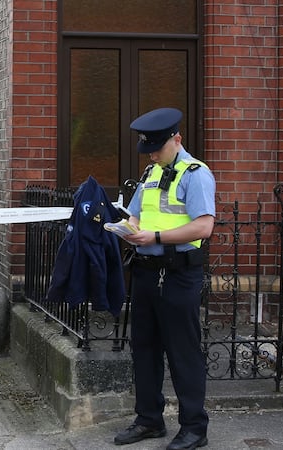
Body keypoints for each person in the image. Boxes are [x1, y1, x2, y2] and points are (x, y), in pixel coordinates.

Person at [114, 107, 215, 450]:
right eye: (148, 149)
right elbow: (136, 214)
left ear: (177, 139)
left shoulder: (196, 174)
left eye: (157, 149)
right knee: (144, 348)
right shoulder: (151, 172)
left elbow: (204, 226)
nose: (152, 155)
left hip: (178, 274)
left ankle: (194, 428)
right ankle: (149, 419)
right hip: (146, 272)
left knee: (183, 351)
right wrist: (129, 229)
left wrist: (155, 237)